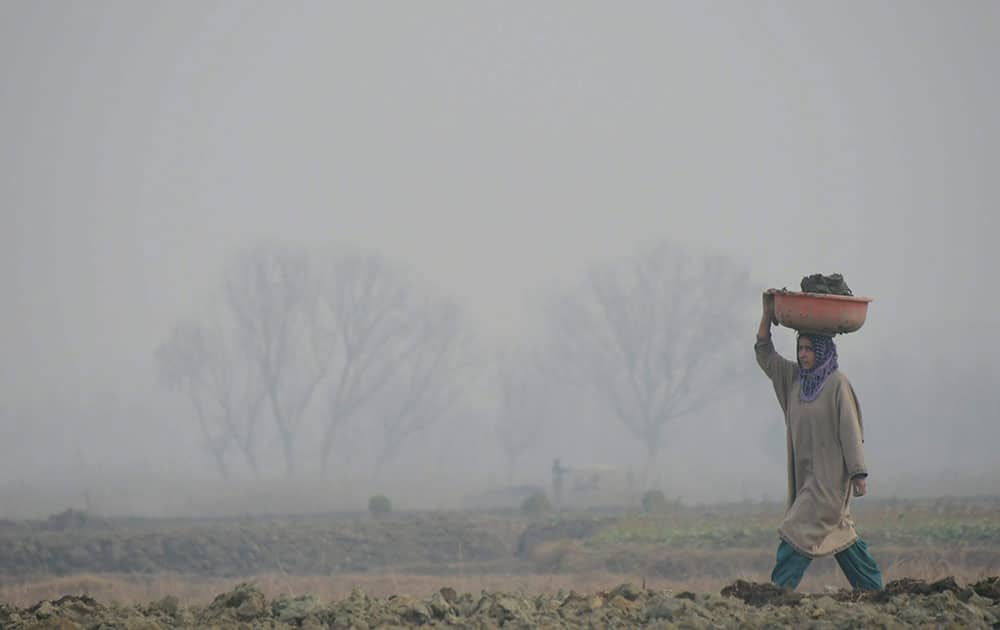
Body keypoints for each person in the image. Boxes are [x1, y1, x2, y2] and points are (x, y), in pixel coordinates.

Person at [755, 292, 883, 591]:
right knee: (842, 537)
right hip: (807, 481)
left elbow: (851, 431)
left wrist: (858, 474)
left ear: (824, 351)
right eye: (800, 348)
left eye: (809, 349)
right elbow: (764, 354)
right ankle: (875, 591)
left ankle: (777, 593)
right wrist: (766, 314)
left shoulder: (837, 383)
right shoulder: (793, 381)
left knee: (795, 532)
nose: (803, 355)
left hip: (829, 484)